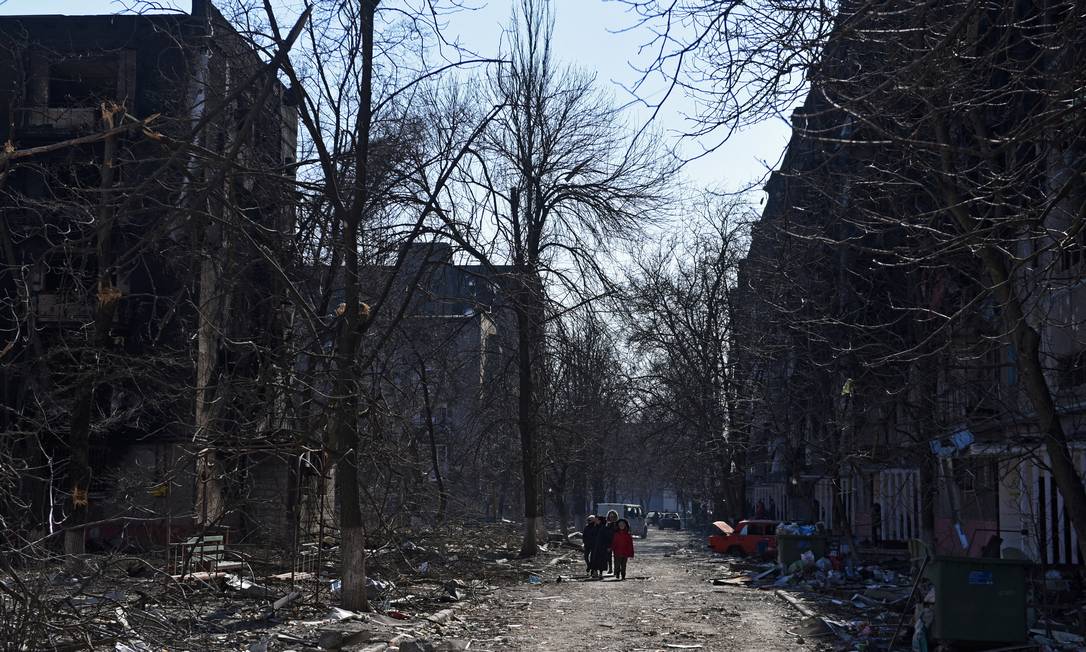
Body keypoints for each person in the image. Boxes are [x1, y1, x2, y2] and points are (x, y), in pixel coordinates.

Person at [604, 510, 619, 575]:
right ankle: (610, 569)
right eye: (610, 516)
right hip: (609, 543)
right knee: (608, 557)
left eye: (613, 516)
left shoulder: (618, 524)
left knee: (617, 557)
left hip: (616, 542)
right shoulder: (607, 525)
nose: (612, 518)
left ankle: (616, 570)